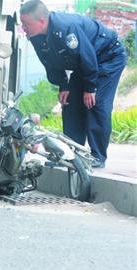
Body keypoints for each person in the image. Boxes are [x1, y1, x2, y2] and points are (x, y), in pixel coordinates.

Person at [20, 0, 127, 168]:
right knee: (70, 103)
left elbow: (87, 55)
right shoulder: (35, 36)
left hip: (108, 57)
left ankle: (97, 157)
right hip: (84, 63)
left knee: (95, 103)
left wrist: (90, 88)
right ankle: (71, 155)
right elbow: (49, 62)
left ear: (41, 21)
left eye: (26, 24)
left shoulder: (65, 28)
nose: (23, 28)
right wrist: (64, 85)